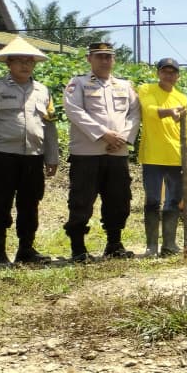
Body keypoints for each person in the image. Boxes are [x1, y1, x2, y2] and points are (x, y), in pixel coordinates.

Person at [0, 36, 59, 267]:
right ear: (8, 63)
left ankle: (26, 250)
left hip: (33, 158)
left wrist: (52, 157)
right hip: (2, 157)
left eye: (29, 61)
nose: (25, 65)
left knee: (30, 205)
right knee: (0, 204)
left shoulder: (43, 91)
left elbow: (50, 126)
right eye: (19, 61)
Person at [63, 41, 140, 262]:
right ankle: (78, 248)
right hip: (87, 153)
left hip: (117, 153)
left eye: (109, 57)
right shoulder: (78, 83)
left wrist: (122, 137)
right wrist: (103, 134)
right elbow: (74, 111)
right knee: (81, 200)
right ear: (90, 59)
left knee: (119, 199)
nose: (105, 61)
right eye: (99, 56)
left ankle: (114, 244)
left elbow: (134, 114)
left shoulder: (124, 86)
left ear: (114, 59)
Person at [136, 57, 187, 257]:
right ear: (158, 73)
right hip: (153, 156)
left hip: (176, 156)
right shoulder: (146, 89)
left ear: (178, 75)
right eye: (165, 71)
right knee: (152, 200)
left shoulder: (182, 98)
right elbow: (148, 111)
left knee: (173, 201)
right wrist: (168, 112)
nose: (169, 75)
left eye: (173, 72)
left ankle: (169, 244)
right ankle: (151, 245)